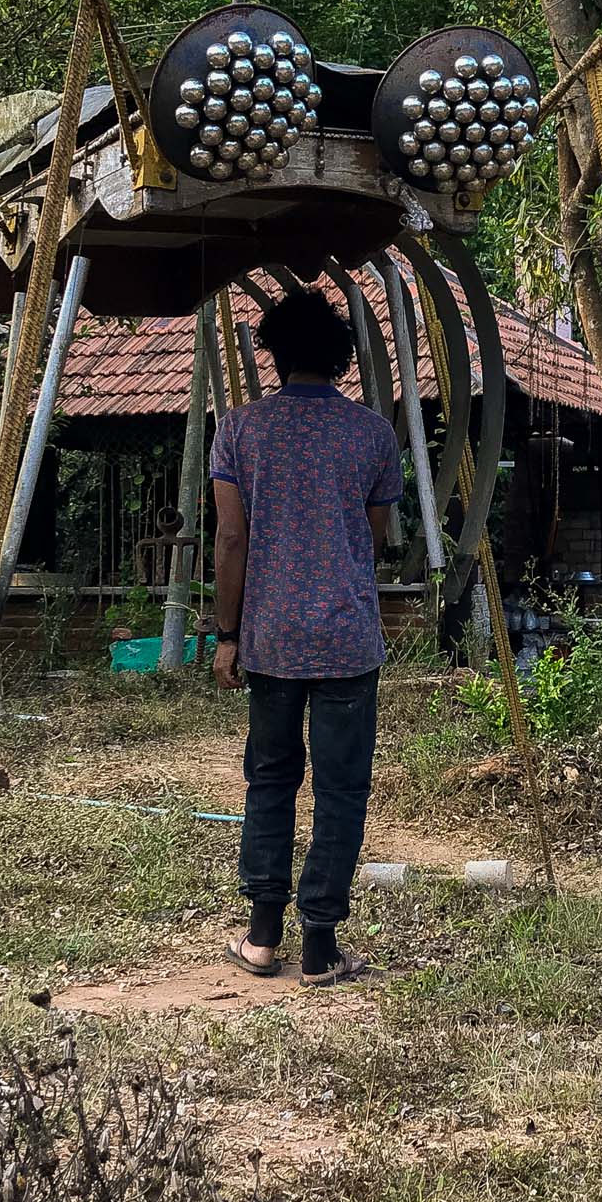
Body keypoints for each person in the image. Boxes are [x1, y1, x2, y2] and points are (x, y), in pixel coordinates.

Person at [208, 289, 403, 987]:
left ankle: (261, 936)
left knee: (270, 777)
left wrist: (227, 635)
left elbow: (232, 538)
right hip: (348, 637)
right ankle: (320, 945)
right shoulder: (373, 435)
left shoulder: (239, 430)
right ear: (342, 358)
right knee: (342, 788)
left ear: (275, 355)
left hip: (271, 636)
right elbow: (372, 540)